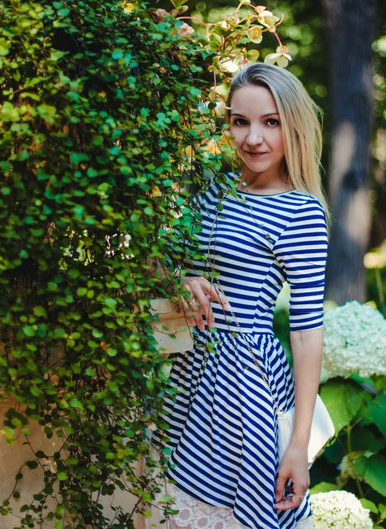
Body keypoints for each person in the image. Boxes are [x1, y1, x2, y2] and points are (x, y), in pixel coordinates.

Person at [148, 62, 330, 529]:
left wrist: (298, 447)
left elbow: (307, 332)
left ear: (293, 126)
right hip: (190, 375)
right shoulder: (212, 191)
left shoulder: (302, 212)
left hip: (245, 387)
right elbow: (154, 262)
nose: (254, 138)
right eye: (240, 121)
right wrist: (177, 281)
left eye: (271, 123)